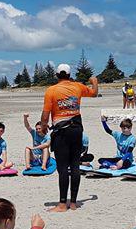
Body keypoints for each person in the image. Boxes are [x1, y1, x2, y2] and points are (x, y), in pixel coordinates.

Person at [40, 63, 98, 211]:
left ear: (57, 75)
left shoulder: (51, 91)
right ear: (69, 75)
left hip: (62, 132)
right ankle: (73, 203)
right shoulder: (78, 87)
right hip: (77, 130)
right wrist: (95, 82)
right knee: (75, 166)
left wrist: (43, 127)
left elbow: (45, 114)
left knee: (63, 168)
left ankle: (61, 204)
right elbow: (94, 93)